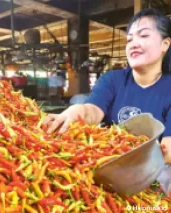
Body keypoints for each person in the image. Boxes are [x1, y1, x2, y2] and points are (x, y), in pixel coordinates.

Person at [43, 8, 171, 193]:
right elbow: (92, 111)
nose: (134, 43)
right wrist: (74, 112)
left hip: (152, 174)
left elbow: (168, 148)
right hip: (108, 170)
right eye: (129, 39)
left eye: (143, 36)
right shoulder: (113, 79)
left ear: (165, 44)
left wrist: (142, 155)